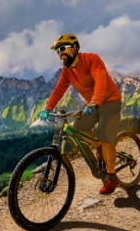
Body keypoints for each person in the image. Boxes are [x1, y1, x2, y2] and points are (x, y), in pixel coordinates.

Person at [39, 34, 122, 195]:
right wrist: (47, 108)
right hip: (92, 104)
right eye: (57, 51)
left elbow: (100, 81)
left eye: (63, 48)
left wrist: (95, 102)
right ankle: (98, 150)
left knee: (105, 136)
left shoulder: (92, 59)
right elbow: (58, 90)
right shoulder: (67, 70)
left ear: (75, 48)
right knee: (77, 128)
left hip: (110, 101)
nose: (60, 53)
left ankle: (111, 177)